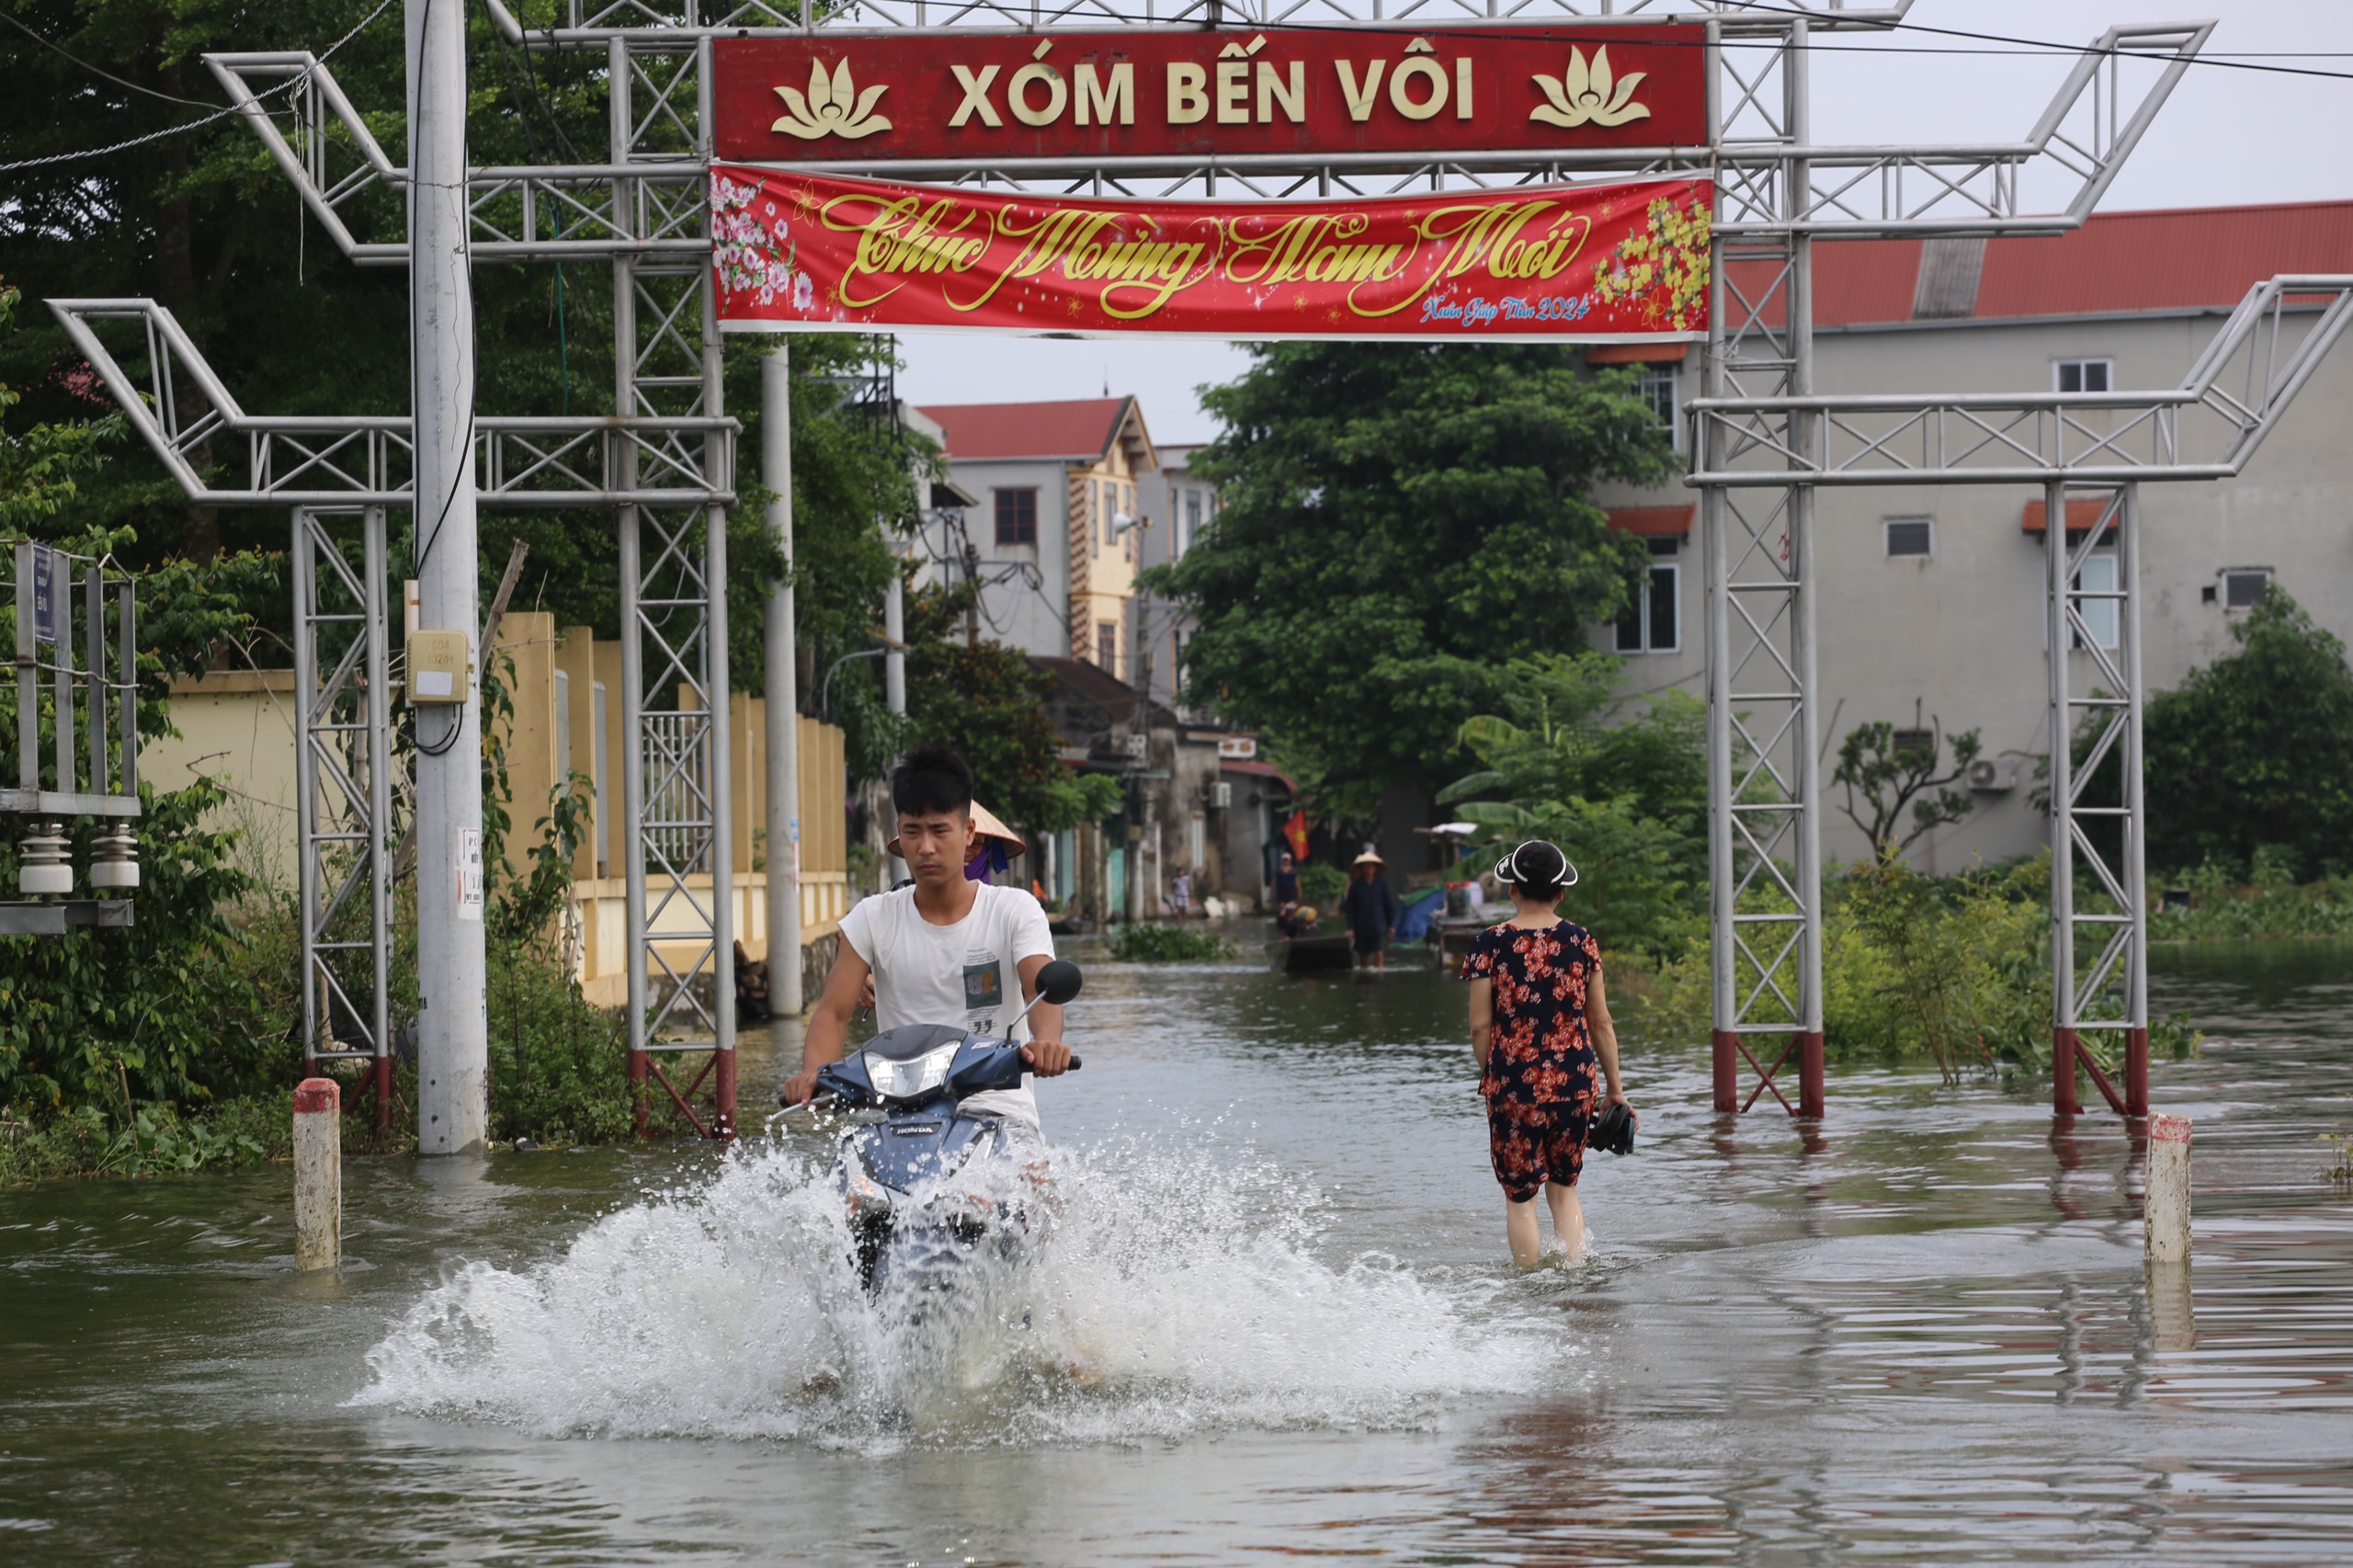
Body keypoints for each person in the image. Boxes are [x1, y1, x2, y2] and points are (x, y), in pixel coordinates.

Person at [783, 746, 1074, 1126]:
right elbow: (833, 1013)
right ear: (898, 834)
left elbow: (1040, 989)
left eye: (939, 830)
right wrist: (813, 1073)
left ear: (968, 832)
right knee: (854, 1167)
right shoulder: (870, 918)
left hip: (999, 1111)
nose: (926, 848)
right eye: (912, 832)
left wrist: (1047, 1041)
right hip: (903, 1114)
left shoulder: (1015, 910)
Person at [1462, 838, 1633, 1267]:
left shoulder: (1489, 943)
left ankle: (1530, 1286)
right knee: (1564, 1189)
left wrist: (1495, 1076)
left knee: (1521, 1198)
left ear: (1512, 890)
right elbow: (1601, 1023)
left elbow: (1480, 1026)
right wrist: (1615, 1090)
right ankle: (1574, 1274)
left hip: (1512, 1086)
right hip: (1575, 1084)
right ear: (1560, 893)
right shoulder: (1581, 941)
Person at [1342, 849, 1398, 971]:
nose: (1369, 868)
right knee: (1364, 959)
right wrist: (1350, 928)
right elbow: (1350, 909)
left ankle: (1379, 976)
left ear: (1375, 868)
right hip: (1362, 926)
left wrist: (1391, 925)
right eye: (1366, 865)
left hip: (1379, 925)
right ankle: (1365, 979)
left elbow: (1388, 905)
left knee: (1379, 955)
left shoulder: (1382, 884)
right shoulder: (1355, 886)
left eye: (1371, 865)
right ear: (1362, 868)